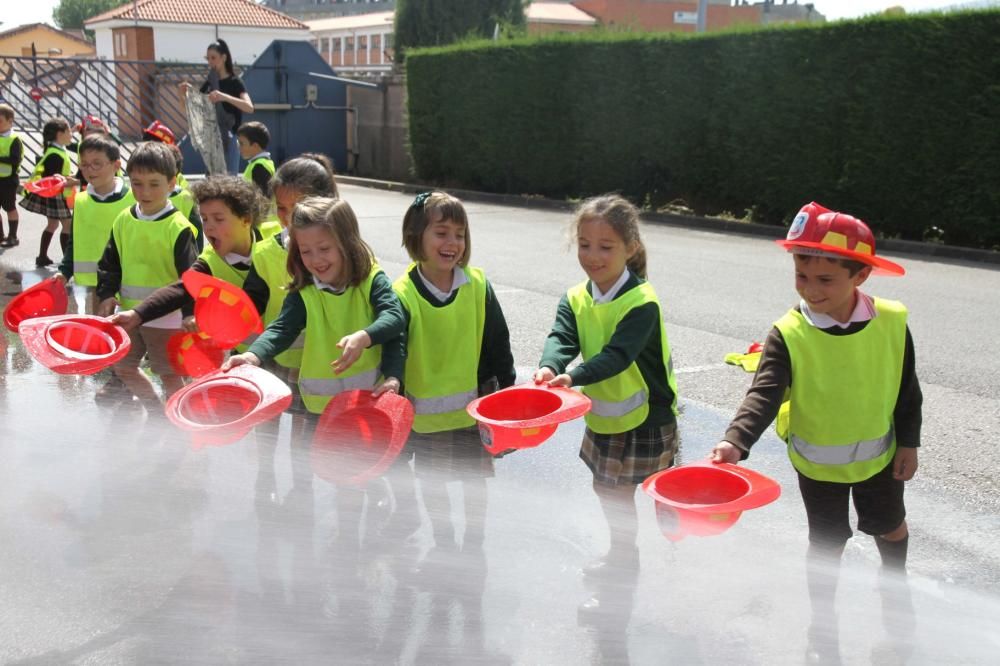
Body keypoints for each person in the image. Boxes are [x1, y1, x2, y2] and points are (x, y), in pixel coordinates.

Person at [709, 203, 921, 661]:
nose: (810, 289)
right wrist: (735, 441)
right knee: (826, 543)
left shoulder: (891, 322)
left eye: (825, 280)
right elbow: (763, 393)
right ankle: (822, 619)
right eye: (801, 276)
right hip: (818, 463)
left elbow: (908, 391)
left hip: (880, 460)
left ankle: (894, 589)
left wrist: (909, 442)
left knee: (889, 527)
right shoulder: (788, 332)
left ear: (860, 276)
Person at [224, 196, 405, 554]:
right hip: (321, 404)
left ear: (347, 242)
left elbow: (395, 317)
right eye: (305, 252)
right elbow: (281, 329)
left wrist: (364, 336)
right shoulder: (305, 290)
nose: (316, 260)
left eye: (324, 248)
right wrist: (252, 355)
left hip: (363, 401)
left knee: (353, 472)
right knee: (341, 475)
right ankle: (350, 534)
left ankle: (352, 533)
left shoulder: (370, 279)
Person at [535, 194, 679, 578]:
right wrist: (551, 367)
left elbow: (618, 355)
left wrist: (574, 377)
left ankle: (660, 504)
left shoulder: (641, 301)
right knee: (609, 490)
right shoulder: (575, 297)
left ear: (630, 249)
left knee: (635, 486)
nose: (592, 256)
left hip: (649, 413)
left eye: (605, 247)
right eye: (584, 245)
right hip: (604, 414)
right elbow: (562, 337)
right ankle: (625, 553)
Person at [393, 191, 516, 560]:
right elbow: (395, 350)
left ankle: (474, 542)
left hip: (475, 406)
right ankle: (445, 541)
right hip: (426, 417)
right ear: (416, 236)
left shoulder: (477, 284)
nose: (453, 243)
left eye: (459, 234)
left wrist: (509, 391)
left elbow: (498, 340)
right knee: (433, 484)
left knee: (475, 480)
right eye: (441, 233)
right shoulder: (401, 293)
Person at [96, 142, 199, 412]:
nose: (145, 192)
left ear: (171, 183)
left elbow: (191, 276)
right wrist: (107, 293)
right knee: (124, 367)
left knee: (169, 374)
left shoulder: (179, 227)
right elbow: (110, 262)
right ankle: (156, 410)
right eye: (137, 184)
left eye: (154, 184)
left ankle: (180, 416)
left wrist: (190, 312)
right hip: (129, 315)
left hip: (167, 319)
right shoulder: (123, 219)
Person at [108, 175, 272, 336]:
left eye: (219, 219)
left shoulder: (275, 242)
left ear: (246, 219)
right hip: (246, 353)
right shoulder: (209, 261)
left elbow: (256, 299)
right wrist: (137, 315)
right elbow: (181, 289)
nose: (208, 228)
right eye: (205, 219)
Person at [55, 135, 135, 312]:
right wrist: (64, 271)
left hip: (129, 282)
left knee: (129, 331)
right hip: (96, 284)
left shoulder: (133, 199)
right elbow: (74, 242)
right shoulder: (81, 200)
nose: (90, 170)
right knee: (101, 328)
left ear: (116, 165)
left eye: (97, 163)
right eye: (84, 164)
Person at [180, 39, 254, 175]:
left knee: (228, 182)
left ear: (224, 57)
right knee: (212, 183)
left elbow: (249, 107)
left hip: (230, 139)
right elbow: (191, 110)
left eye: (213, 58)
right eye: (208, 59)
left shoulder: (235, 82)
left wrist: (224, 96)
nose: (210, 62)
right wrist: (186, 94)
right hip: (212, 140)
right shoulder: (210, 82)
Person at [19, 117, 78, 267]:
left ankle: (42, 257)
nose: (71, 134)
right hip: (56, 194)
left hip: (53, 194)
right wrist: (69, 179)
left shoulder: (54, 150)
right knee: (67, 225)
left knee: (52, 225)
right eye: (69, 130)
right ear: (60, 133)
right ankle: (67, 261)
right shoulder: (55, 154)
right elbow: (54, 177)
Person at [0, 103, 23, 247]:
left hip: (8, 180)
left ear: (10, 121)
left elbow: (15, 160)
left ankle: (13, 236)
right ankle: (0, 235)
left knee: (10, 208)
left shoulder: (14, 139)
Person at [236, 121, 274, 195]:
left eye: (241, 144)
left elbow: (262, 197)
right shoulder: (259, 163)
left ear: (255, 146)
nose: (239, 148)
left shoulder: (259, 166)